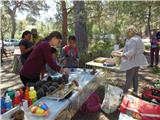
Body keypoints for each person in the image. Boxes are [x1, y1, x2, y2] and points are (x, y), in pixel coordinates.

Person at [113, 26, 148, 95]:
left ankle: (125, 92)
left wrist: (120, 55)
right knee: (135, 76)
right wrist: (119, 50)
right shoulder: (138, 38)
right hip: (137, 61)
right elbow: (127, 46)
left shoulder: (133, 40)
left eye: (128, 32)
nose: (127, 33)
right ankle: (135, 91)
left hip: (132, 61)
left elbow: (131, 52)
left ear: (130, 32)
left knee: (129, 77)